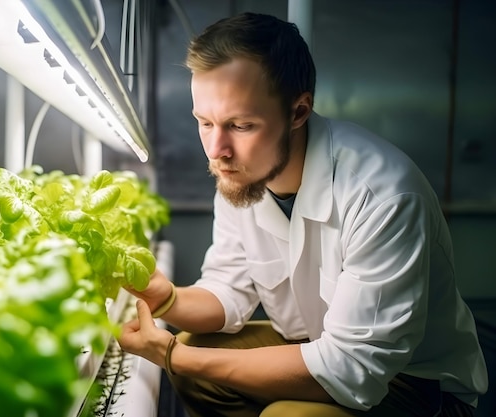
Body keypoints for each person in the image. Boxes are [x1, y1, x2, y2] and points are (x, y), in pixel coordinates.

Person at [118, 12, 488, 417]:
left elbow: (355, 369)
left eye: (241, 125)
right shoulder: (243, 174)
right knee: (197, 353)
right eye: (204, 123)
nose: (216, 149)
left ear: (298, 112)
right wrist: (166, 298)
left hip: (418, 385)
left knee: (284, 413)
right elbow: (228, 290)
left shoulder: (383, 195)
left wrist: (173, 356)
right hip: (322, 348)